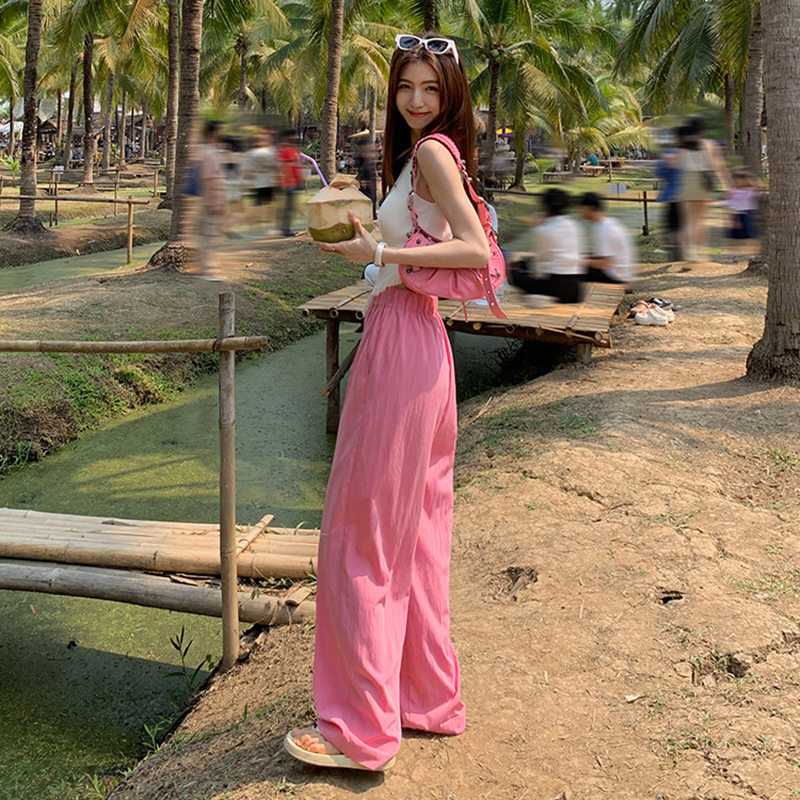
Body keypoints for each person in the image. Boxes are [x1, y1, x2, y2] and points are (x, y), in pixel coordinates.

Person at [285, 32, 488, 772]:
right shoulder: (426, 156)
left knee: (360, 535)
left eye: (431, 87)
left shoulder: (432, 152)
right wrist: (365, 240)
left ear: (450, 93)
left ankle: (360, 732)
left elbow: (475, 252)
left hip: (404, 343)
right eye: (406, 86)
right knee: (419, 534)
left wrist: (378, 254)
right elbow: (418, 249)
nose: (416, 100)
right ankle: (425, 699)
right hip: (416, 340)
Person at [508, 187, 584, 307]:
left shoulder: (544, 230)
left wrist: (540, 225)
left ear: (545, 207)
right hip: (576, 289)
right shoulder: (574, 225)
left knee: (513, 274)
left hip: (556, 288)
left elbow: (541, 260)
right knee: (526, 263)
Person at [578, 192, 635, 287]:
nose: (579, 211)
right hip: (620, 271)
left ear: (589, 208)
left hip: (616, 275)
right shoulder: (608, 223)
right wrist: (582, 257)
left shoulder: (603, 229)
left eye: (581, 208)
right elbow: (602, 256)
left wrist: (579, 261)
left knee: (573, 269)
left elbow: (604, 264)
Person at [277, 129, 304, 237]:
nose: (295, 138)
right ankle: (285, 229)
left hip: (295, 182)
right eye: (293, 136)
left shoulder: (293, 150)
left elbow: (296, 166)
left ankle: (286, 228)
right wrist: (285, 182)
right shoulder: (284, 150)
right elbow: (283, 167)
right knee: (288, 207)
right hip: (288, 183)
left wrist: (299, 180)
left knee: (291, 206)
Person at [726, 169, 761, 250]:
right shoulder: (732, 191)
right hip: (736, 213)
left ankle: (753, 252)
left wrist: (750, 179)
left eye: (742, 179)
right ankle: (733, 253)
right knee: (734, 236)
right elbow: (729, 204)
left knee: (751, 235)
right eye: (737, 179)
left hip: (748, 213)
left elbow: (759, 187)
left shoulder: (749, 191)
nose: (739, 181)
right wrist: (730, 219)